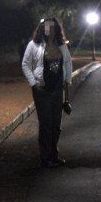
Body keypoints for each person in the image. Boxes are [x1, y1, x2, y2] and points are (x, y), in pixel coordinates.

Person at [22, 18, 72, 168]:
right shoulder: (33, 45)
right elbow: (25, 64)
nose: (49, 29)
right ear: (42, 28)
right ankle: (45, 158)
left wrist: (67, 79)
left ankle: (54, 155)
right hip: (41, 89)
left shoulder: (62, 46)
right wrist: (33, 83)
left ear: (57, 29)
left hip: (58, 89)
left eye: (52, 27)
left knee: (56, 124)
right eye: (46, 26)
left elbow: (68, 62)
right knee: (45, 124)